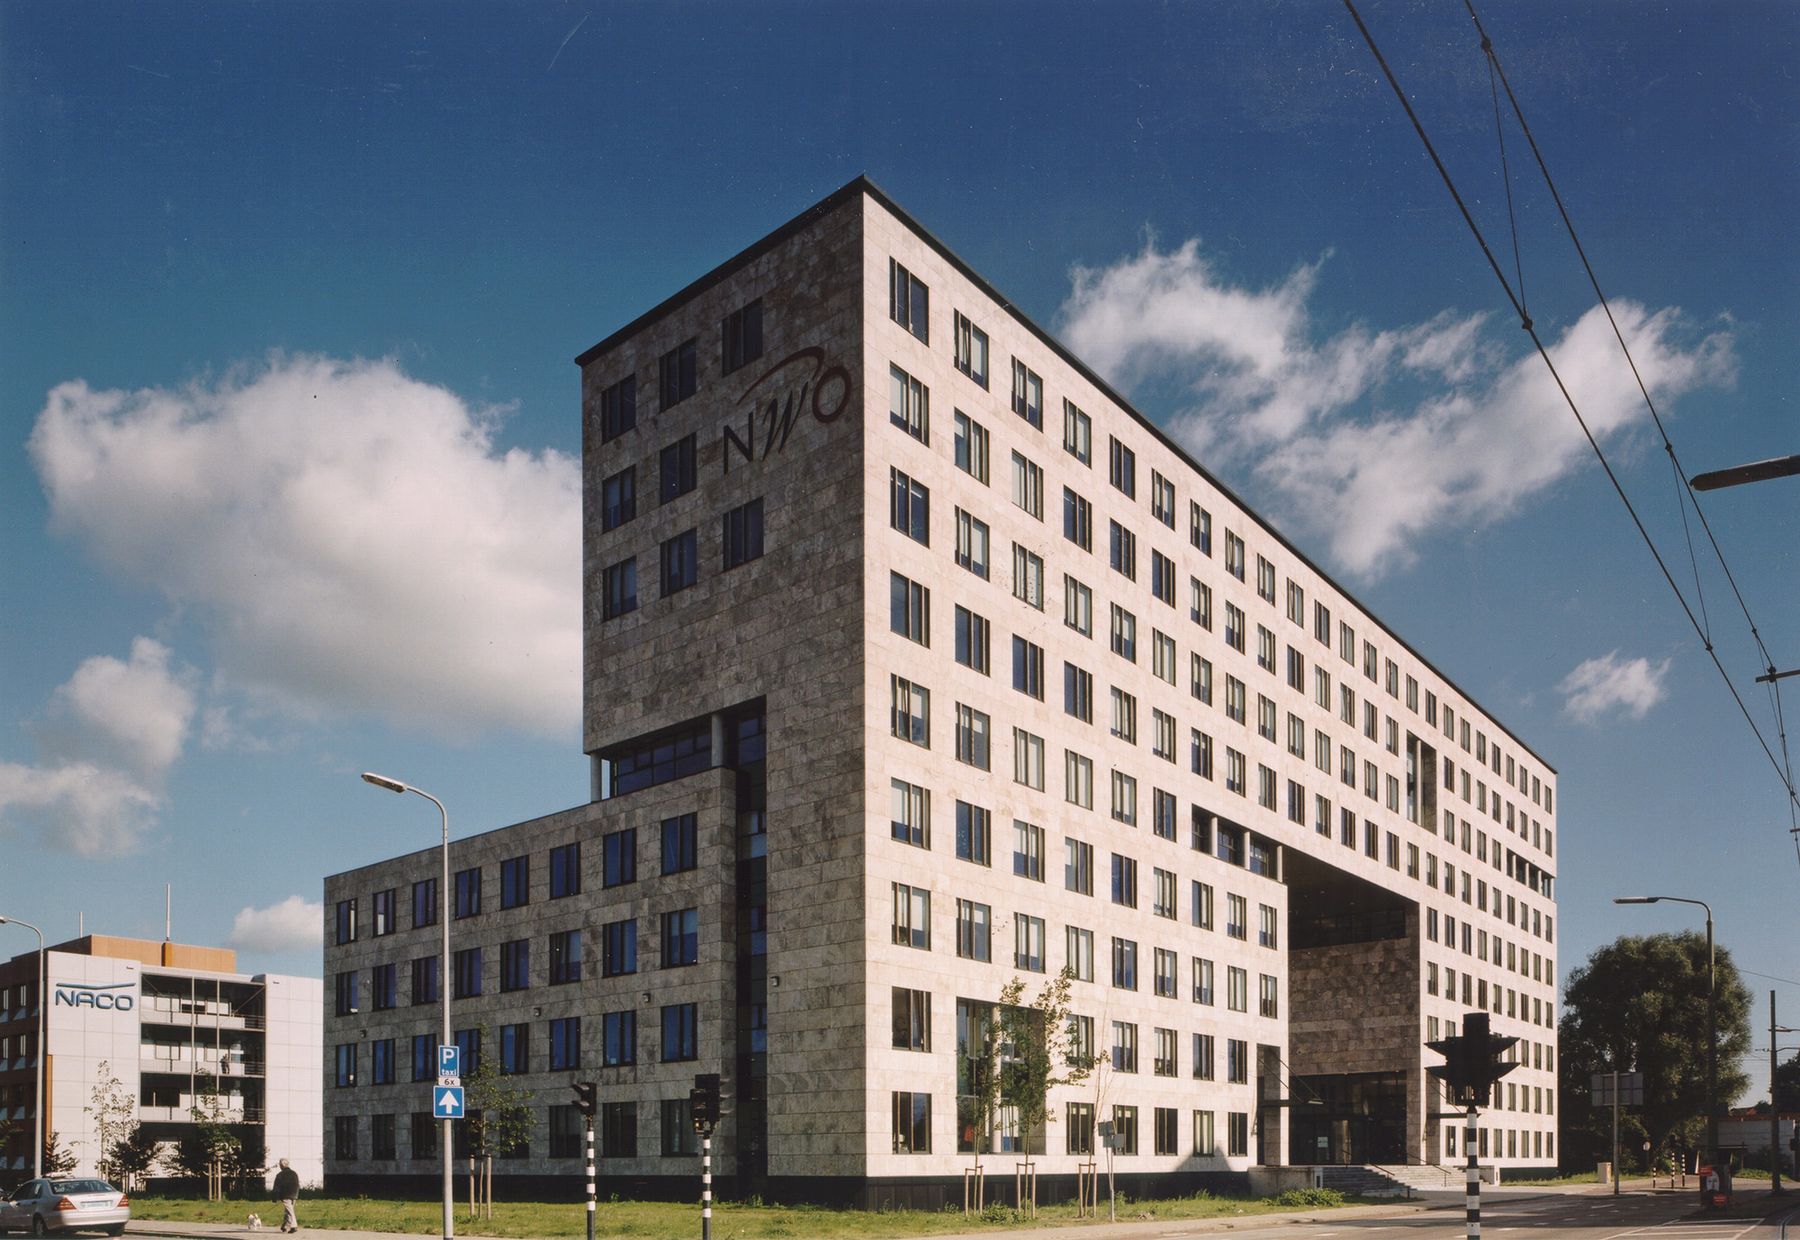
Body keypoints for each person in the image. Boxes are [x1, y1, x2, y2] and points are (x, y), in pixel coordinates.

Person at [273, 1157, 300, 1233]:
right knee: (288, 1210)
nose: (279, 1166)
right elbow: (297, 1185)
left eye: (280, 1164)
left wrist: (274, 1197)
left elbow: (276, 1187)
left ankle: (294, 1226)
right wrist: (296, 1195)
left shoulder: (280, 1175)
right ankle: (284, 1226)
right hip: (294, 1194)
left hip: (285, 1195)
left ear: (283, 1165)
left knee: (289, 1211)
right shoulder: (294, 1173)